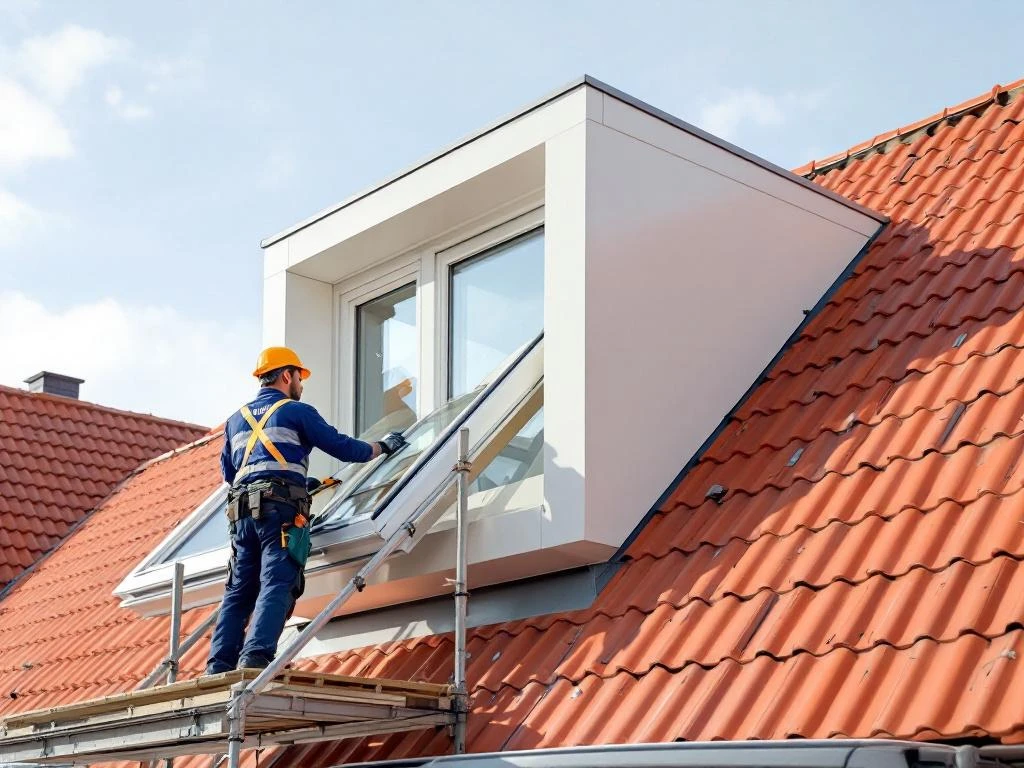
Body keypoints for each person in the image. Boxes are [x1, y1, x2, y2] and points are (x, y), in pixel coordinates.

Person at [206, 346, 405, 674]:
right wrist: (382, 446)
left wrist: (294, 477)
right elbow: (343, 447)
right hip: (279, 512)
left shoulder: (235, 420)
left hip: (241, 514)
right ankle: (255, 658)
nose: (301, 384)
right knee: (276, 579)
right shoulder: (297, 411)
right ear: (287, 375)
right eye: (300, 377)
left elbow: (232, 473)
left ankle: (218, 664)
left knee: (240, 587)